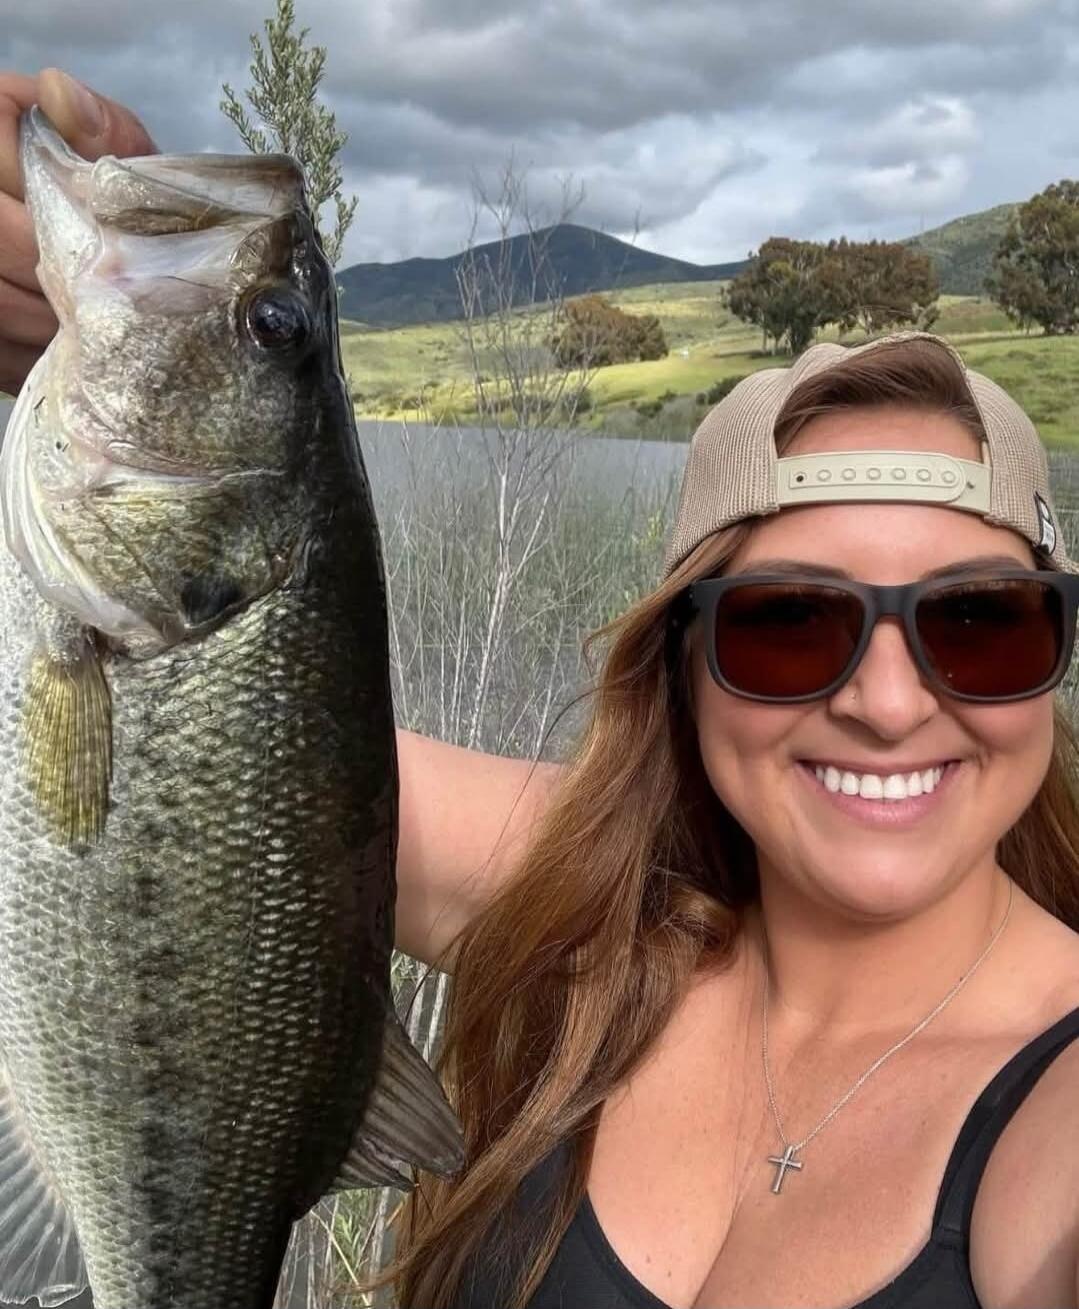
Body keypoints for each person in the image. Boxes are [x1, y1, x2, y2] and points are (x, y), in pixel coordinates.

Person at [3, 69, 1079, 1309]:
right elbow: (253, 745)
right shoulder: (595, 914)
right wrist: (133, 350)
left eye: (978, 623)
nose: (888, 702)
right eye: (788, 623)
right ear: (677, 664)